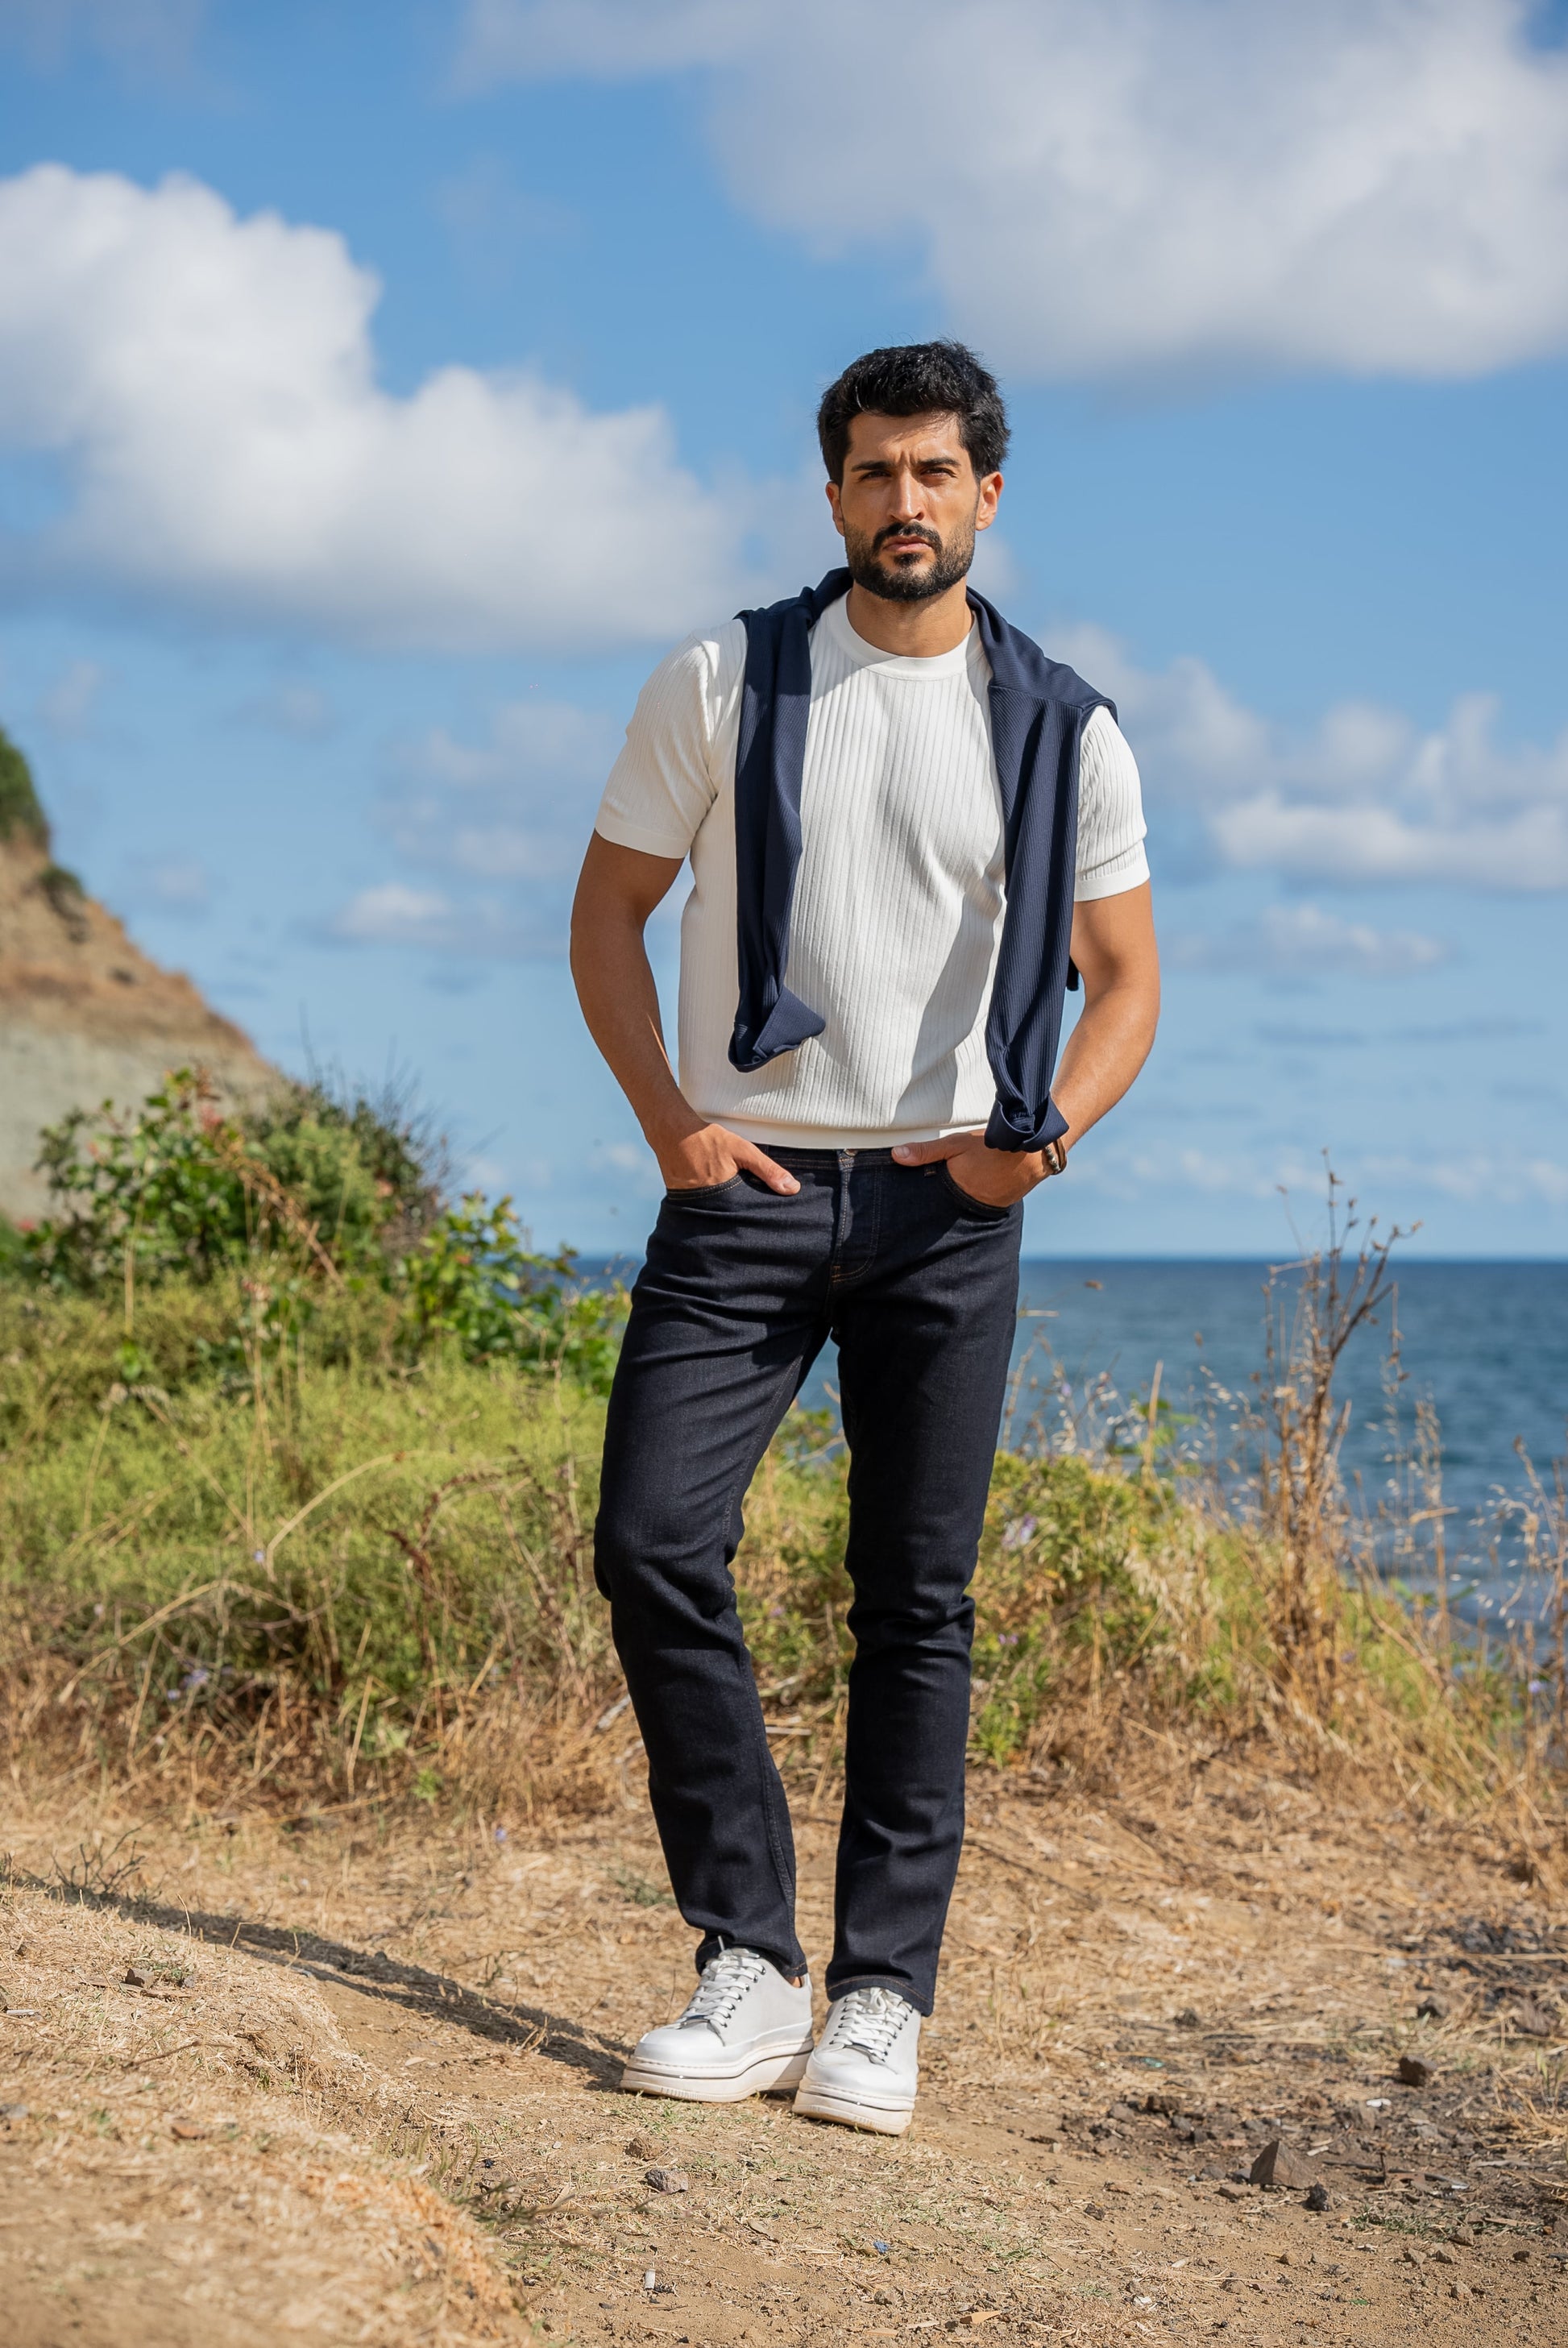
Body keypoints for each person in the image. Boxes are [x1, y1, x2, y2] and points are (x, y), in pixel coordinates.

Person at [570, 340, 1159, 2134]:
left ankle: (880, 1998)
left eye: (933, 472)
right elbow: (606, 920)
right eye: (871, 471)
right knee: (651, 1542)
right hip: (738, 1194)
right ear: (831, 492)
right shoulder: (725, 677)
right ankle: (747, 1963)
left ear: (987, 494)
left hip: (942, 1201)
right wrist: (674, 1122)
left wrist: (1026, 1151)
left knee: (918, 1604)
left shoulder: (1064, 724)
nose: (902, 502)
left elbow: (1125, 981)